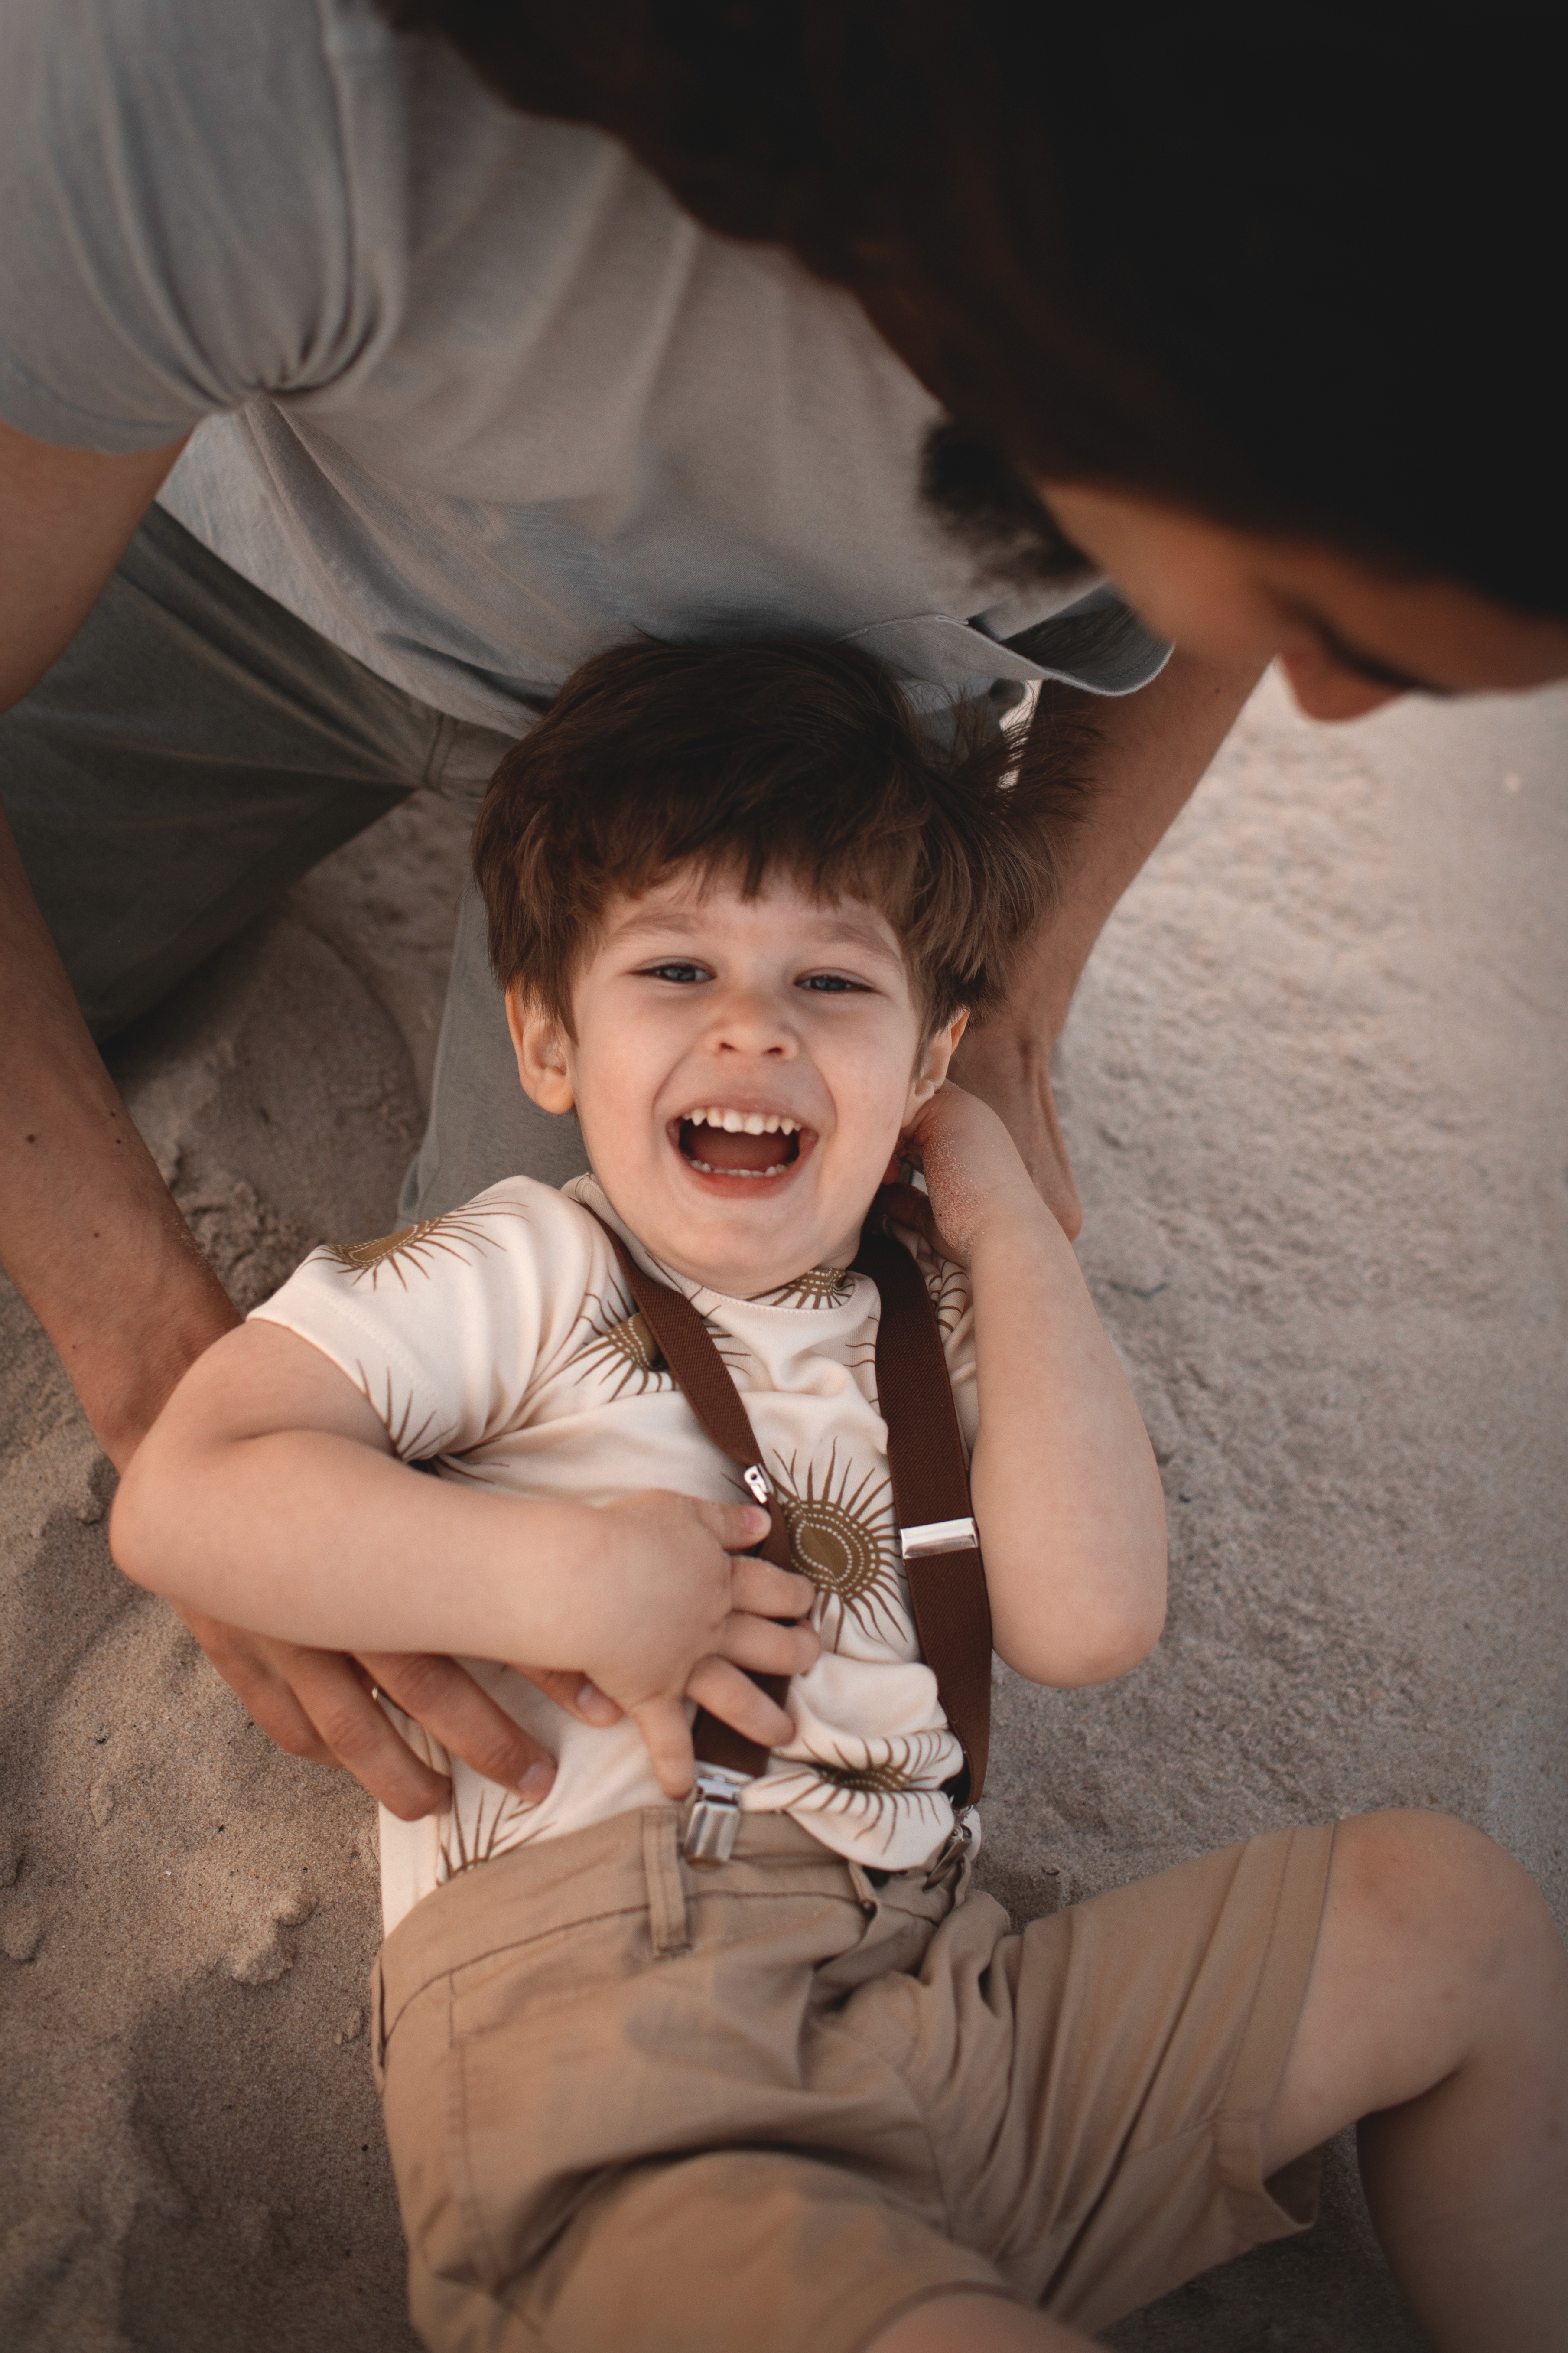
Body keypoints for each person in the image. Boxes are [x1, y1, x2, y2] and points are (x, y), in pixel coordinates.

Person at [4, 0, 1567, 1825]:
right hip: (252, 563)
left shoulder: (1375, 210)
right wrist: (162, 1372)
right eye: (1346, 633)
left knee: (574, 1456)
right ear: (1170, 334)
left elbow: (1074, 1608)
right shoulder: (276, 71)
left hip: (788, 745)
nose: (1321, 713)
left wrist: (1022, 977)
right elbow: (216, 1480)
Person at [109, 640, 1568, 2353]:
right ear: (545, 1038)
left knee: (1449, 1920)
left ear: (925, 1064)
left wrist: (1008, 1230)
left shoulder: (929, 1322)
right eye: (674, 967)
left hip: (949, 2024)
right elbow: (191, 1495)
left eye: (831, 985)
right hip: (628, 2066)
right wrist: (553, 1579)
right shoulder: (529, 1267)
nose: (754, 1024)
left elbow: (1088, 1618)